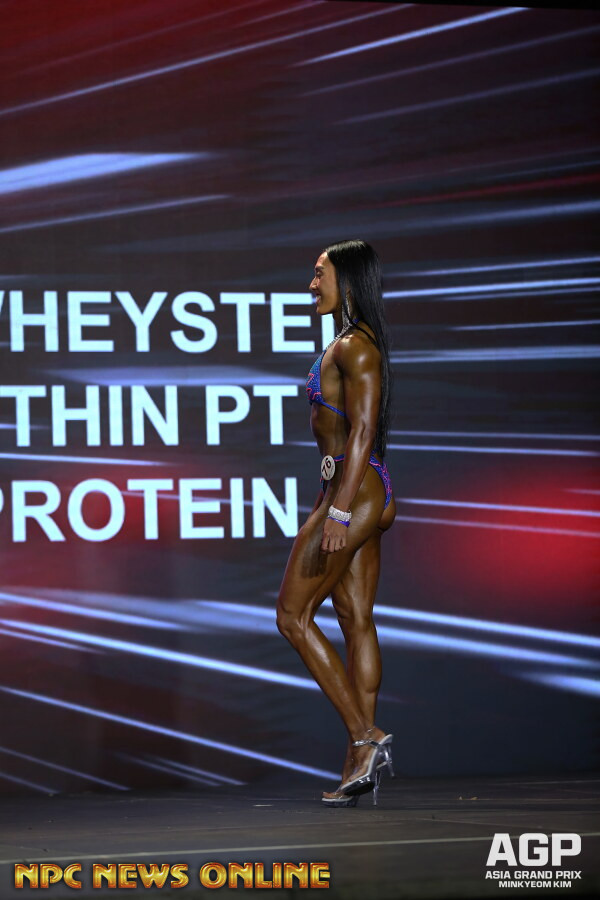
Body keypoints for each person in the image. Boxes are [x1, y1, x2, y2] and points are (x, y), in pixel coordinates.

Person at [276, 239, 396, 807]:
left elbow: (364, 430)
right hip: (353, 487)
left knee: (292, 615)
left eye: (319, 273)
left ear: (346, 279)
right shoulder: (350, 341)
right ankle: (358, 767)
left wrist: (340, 510)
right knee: (355, 619)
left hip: (355, 490)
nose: (311, 284)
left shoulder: (355, 346)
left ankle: (365, 738)